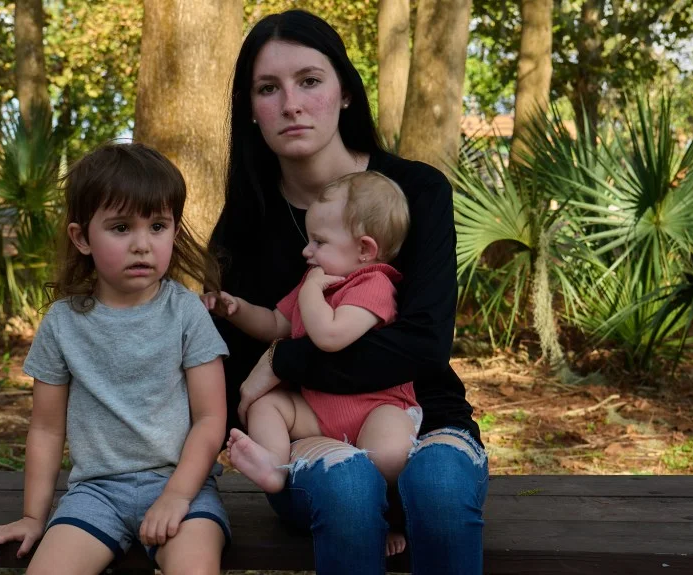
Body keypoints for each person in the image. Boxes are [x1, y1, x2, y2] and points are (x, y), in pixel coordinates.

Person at [206, 9, 488, 575]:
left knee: (435, 486)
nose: (291, 104)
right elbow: (238, 379)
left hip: (421, 415)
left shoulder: (415, 193)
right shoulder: (243, 227)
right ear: (250, 110)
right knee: (350, 492)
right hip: (306, 438)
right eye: (268, 88)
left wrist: (286, 358)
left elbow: (423, 344)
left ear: (345, 93)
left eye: (309, 80)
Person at [0, 143, 230, 575]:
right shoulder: (62, 324)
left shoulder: (186, 313)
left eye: (159, 226)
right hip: (96, 495)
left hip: (183, 486)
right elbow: (47, 428)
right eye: (121, 227)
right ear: (82, 237)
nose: (143, 245)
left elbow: (209, 419)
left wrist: (177, 495)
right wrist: (34, 517)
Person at [204, 171, 417, 556]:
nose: (308, 252)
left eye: (319, 242)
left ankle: (386, 519)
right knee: (267, 403)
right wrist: (236, 309)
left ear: (365, 249)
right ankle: (274, 466)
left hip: (376, 407)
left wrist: (311, 292)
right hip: (320, 410)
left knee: (388, 455)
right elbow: (274, 324)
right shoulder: (315, 284)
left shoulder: (373, 284)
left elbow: (330, 336)